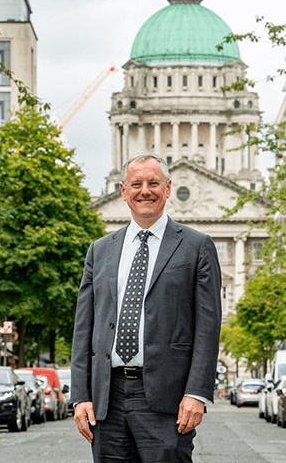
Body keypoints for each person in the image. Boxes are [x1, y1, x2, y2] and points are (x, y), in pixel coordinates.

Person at [70, 153, 222, 462]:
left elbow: (208, 326)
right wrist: (81, 396)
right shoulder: (100, 250)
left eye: (153, 183)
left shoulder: (196, 246)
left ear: (167, 188)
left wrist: (197, 393)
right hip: (107, 398)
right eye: (136, 184)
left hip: (167, 399)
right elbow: (84, 328)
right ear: (123, 192)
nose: (145, 191)